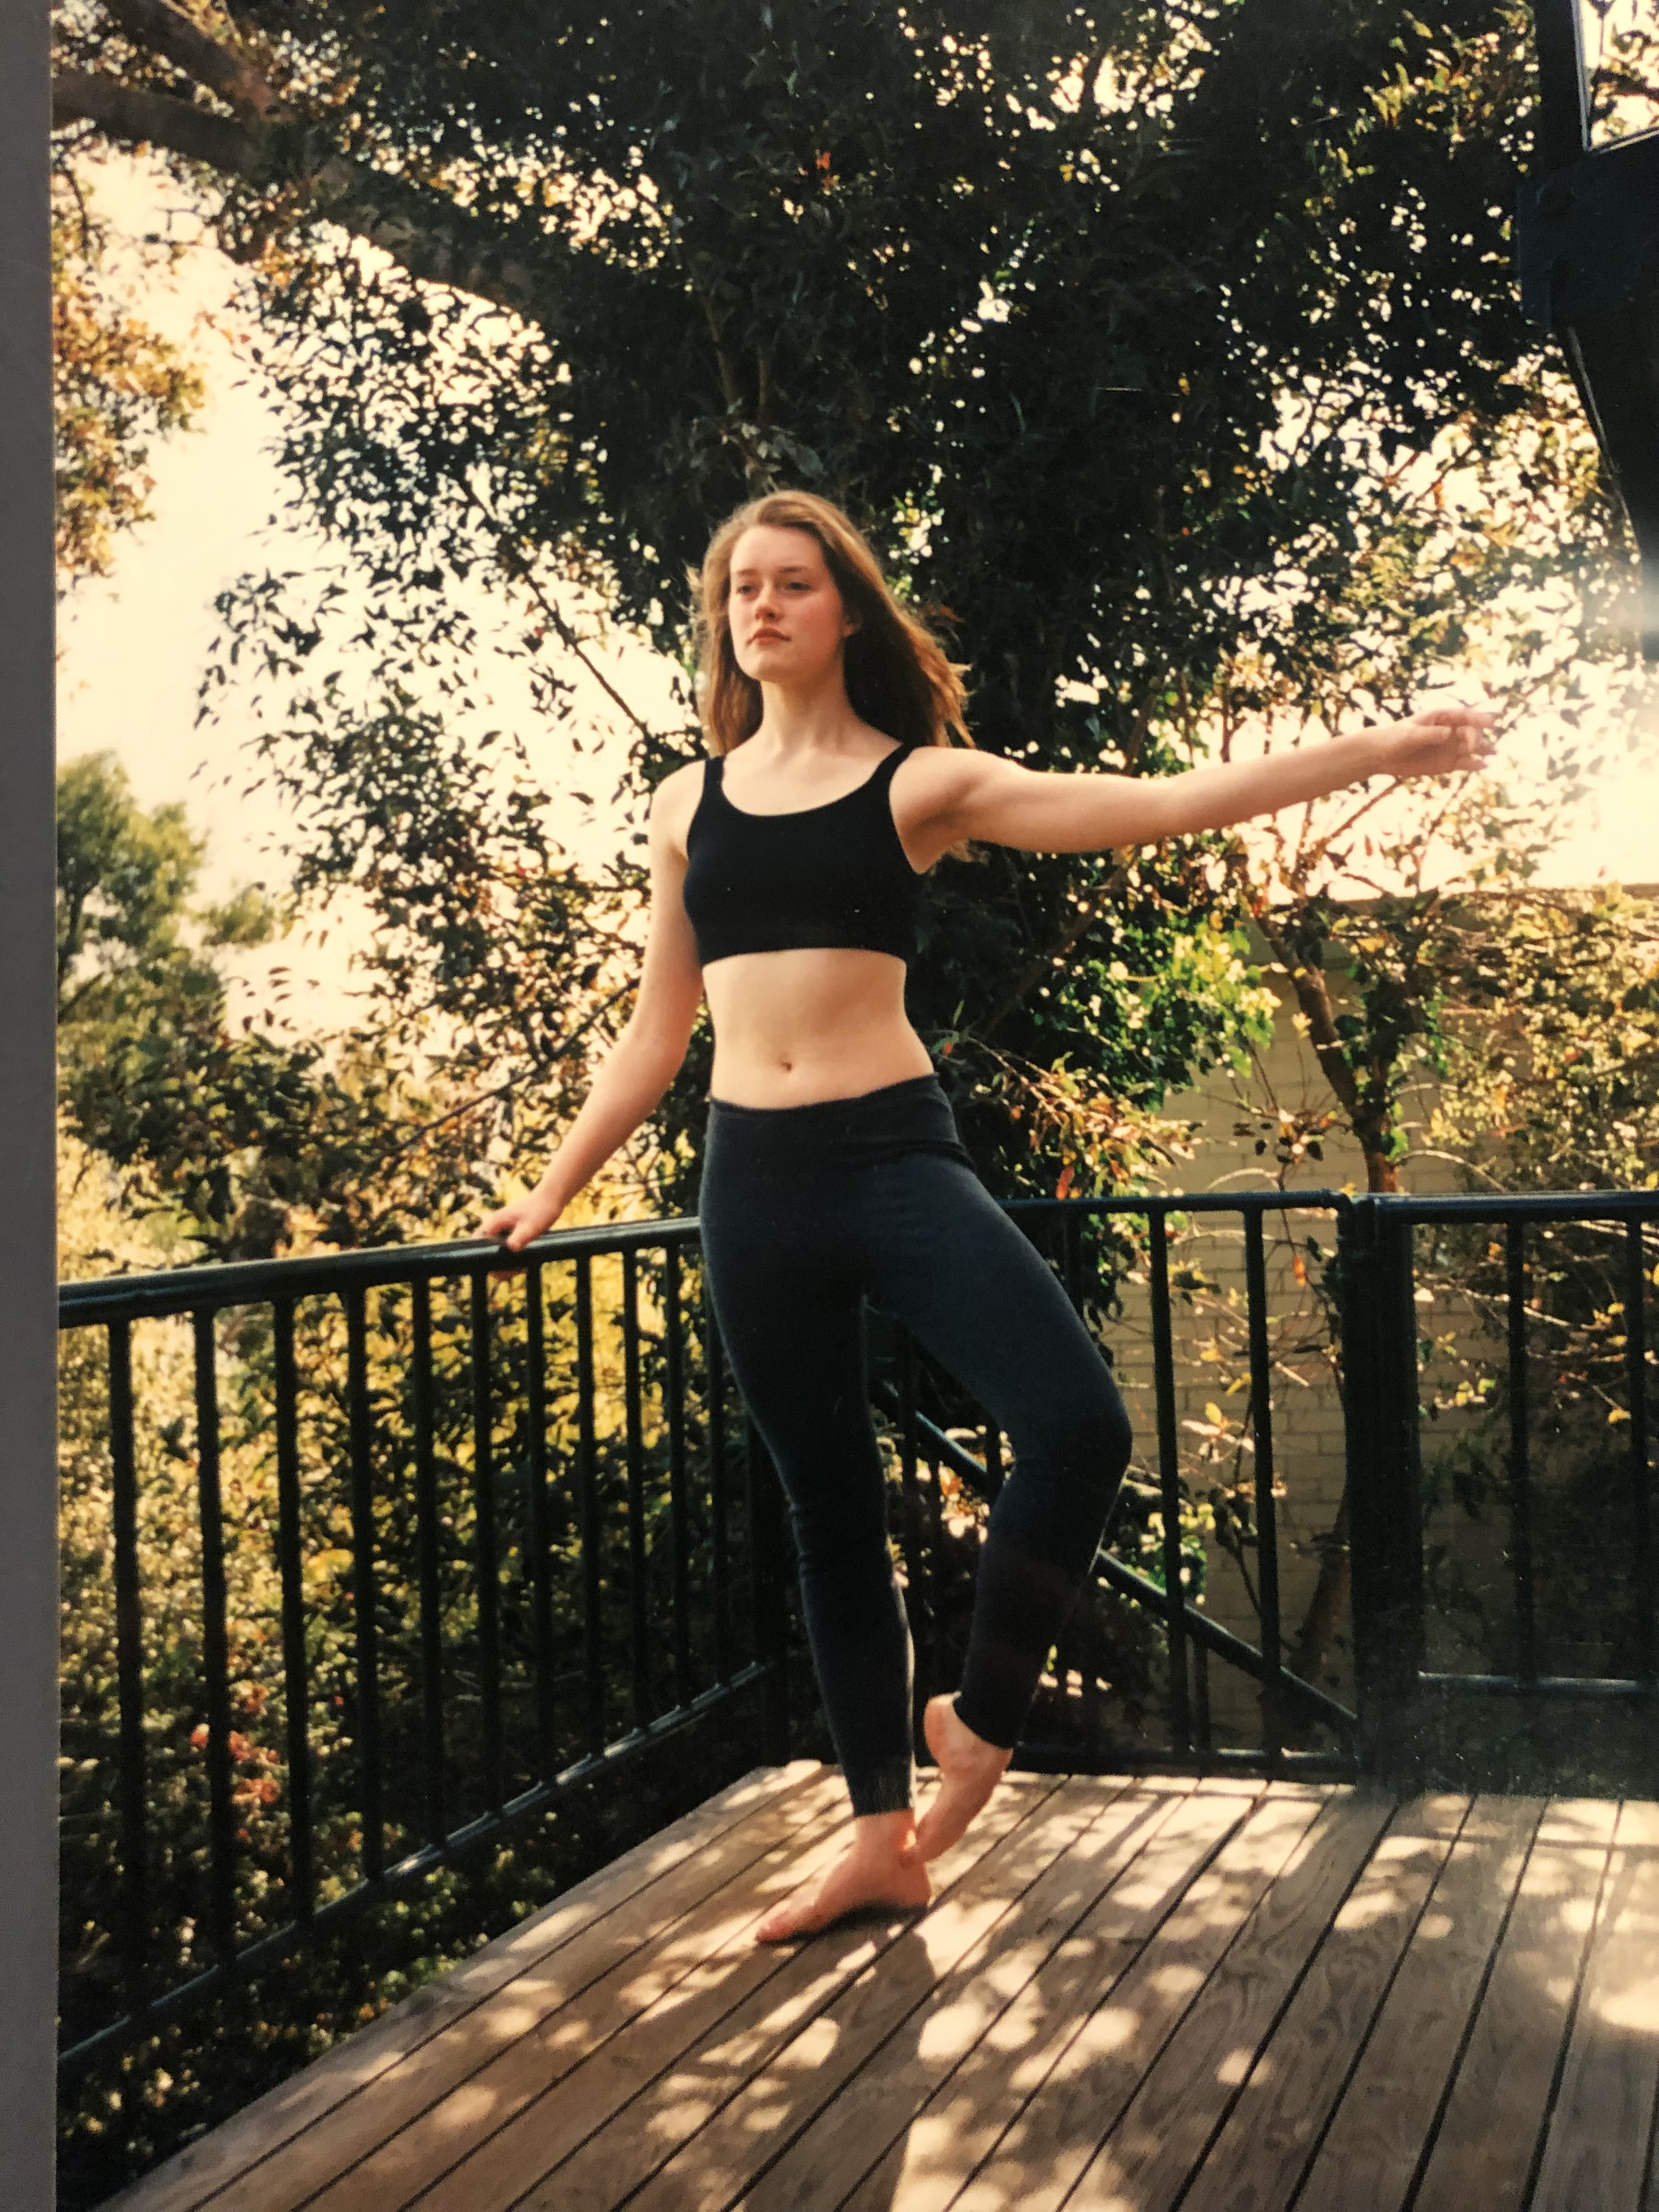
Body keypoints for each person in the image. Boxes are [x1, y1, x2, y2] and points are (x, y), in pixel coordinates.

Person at [483, 489, 1497, 1943]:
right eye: (739, 590)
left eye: (790, 585)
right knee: (830, 1517)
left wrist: (1383, 748)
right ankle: (879, 1839)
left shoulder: (919, 788)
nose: (759, 608)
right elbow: (658, 1032)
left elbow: (1153, 810)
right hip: (751, 1185)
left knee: (1078, 1425)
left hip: (894, 1158)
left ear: (844, 612)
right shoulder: (683, 804)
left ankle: (984, 1718)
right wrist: (550, 1190)